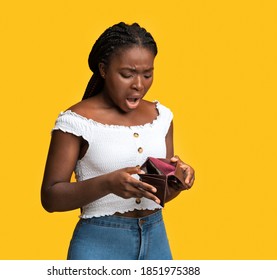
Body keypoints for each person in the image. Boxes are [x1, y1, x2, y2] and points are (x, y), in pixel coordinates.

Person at [41, 22, 195, 260]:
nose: (139, 84)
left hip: (157, 241)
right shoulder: (75, 122)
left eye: (147, 74)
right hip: (99, 244)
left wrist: (176, 182)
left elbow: (158, 193)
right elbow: (50, 198)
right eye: (127, 74)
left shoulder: (161, 117)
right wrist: (107, 184)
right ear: (103, 70)